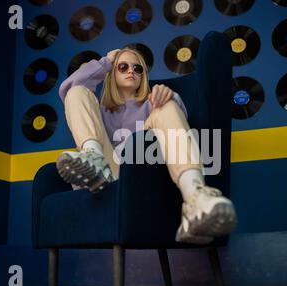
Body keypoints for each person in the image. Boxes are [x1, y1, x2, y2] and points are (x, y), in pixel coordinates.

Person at [56, 48, 237, 244]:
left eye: (137, 68)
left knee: (166, 106)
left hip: (141, 179)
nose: (131, 71)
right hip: (103, 175)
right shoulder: (99, 112)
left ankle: (195, 196)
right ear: (112, 73)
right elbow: (69, 90)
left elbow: (177, 127)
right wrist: (106, 62)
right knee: (76, 91)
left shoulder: (152, 102)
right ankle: (93, 156)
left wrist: (171, 98)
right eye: (123, 67)